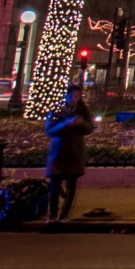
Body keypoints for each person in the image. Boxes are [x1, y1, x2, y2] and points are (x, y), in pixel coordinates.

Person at [43, 83, 94, 223]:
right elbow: (49, 130)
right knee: (55, 186)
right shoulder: (57, 111)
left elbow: (89, 128)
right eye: (71, 96)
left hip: (74, 153)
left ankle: (64, 214)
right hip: (58, 153)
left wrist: (80, 124)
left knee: (71, 187)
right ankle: (52, 214)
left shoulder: (83, 112)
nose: (74, 99)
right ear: (66, 96)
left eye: (77, 96)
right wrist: (66, 124)